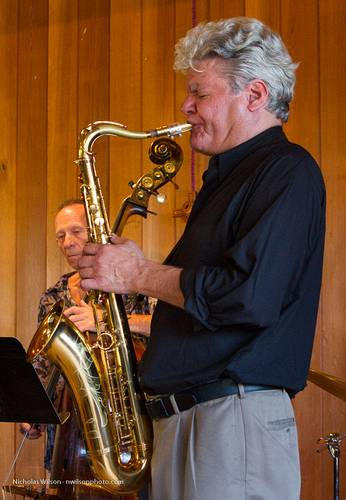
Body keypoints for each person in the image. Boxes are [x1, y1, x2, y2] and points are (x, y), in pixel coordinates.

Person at [78, 17, 326, 500]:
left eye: (200, 93)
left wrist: (138, 274)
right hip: (195, 422)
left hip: (230, 423)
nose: (185, 107)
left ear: (253, 95)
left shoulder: (287, 171)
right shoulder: (225, 178)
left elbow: (247, 297)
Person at [22, 199, 151, 499]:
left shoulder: (129, 284)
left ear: (95, 230)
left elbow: (161, 327)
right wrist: (34, 410)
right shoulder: (52, 297)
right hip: (66, 435)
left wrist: (105, 319)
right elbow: (44, 364)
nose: (67, 242)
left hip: (122, 427)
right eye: (60, 236)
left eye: (76, 231)